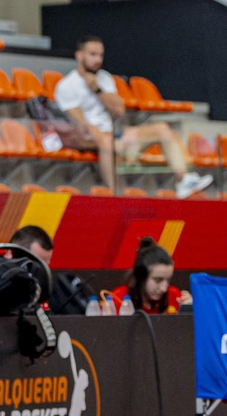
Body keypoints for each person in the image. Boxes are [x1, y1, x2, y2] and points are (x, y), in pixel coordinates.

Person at [55, 36, 212, 199]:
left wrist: (97, 89)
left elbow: (118, 110)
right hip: (81, 137)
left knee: (162, 129)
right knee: (106, 142)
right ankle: (115, 195)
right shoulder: (67, 85)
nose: (98, 60)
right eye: (93, 54)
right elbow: (80, 123)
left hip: (111, 134)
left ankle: (184, 180)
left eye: (100, 55)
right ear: (79, 55)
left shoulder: (104, 78)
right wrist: (107, 139)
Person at [110, 236, 192, 315]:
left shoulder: (175, 297)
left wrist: (190, 311)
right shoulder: (117, 299)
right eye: (158, 280)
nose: (164, 288)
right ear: (141, 276)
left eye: (168, 280)